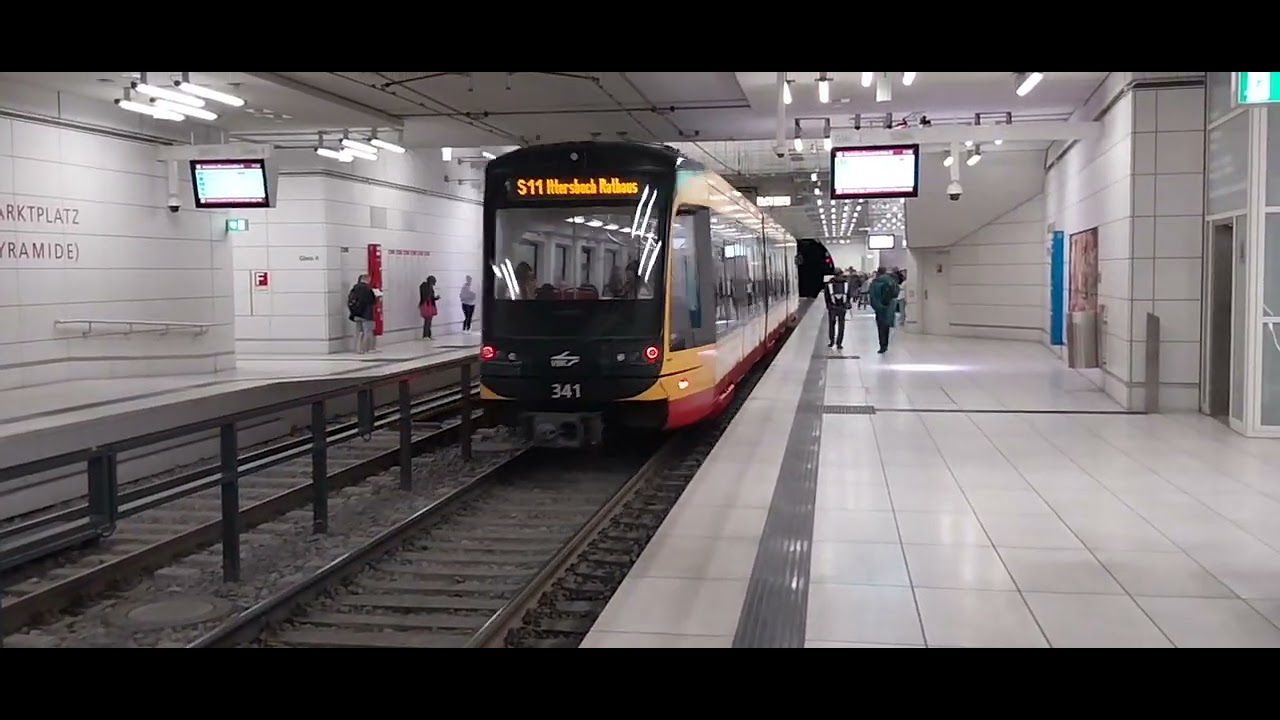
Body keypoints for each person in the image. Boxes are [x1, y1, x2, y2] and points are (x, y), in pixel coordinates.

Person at [868, 267, 901, 354]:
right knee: (886, 326)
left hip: (880, 307)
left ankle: (882, 345)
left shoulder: (876, 282)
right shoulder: (891, 280)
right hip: (889, 306)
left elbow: (872, 295)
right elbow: (896, 292)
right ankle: (885, 344)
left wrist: (876, 305)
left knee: (881, 327)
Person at [347, 274, 377, 354]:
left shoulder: (354, 288)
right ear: (367, 279)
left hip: (356, 314)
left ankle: (358, 349)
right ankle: (366, 349)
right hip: (366, 314)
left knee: (358, 332)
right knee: (367, 331)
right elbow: (372, 300)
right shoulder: (367, 289)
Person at [823, 268, 852, 350]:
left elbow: (848, 295)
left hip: (840, 307)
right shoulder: (830, 285)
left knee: (839, 325)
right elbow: (827, 297)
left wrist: (847, 303)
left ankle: (838, 342)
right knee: (835, 324)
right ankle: (833, 341)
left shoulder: (844, 284)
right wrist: (829, 306)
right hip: (834, 307)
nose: (840, 277)